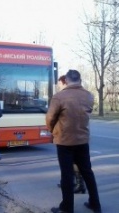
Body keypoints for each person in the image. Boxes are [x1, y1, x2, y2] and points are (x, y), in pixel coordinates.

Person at [46, 70, 101, 213]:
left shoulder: (59, 97)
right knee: (87, 172)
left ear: (67, 80)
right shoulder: (89, 95)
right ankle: (95, 204)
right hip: (82, 140)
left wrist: (53, 131)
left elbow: (50, 118)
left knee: (66, 174)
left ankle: (67, 208)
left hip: (65, 141)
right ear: (80, 80)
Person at [56, 75, 86, 194]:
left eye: (60, 84)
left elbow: (53, 116)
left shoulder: (64, 96)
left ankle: (76, 184)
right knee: (75, 161)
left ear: (65, 83)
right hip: (78, 133)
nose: (58, 86)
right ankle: (75, 183)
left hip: (69, 134)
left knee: (72, 162)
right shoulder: (80, 95)